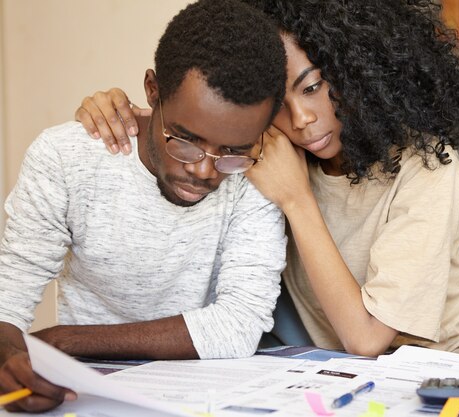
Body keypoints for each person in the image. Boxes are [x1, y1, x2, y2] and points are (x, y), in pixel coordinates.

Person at [75, 0, 459, 358]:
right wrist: (117, 110)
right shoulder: (265, 149)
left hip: (457, 373)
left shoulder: (423, 165)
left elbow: (368, 339)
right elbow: (192, 129)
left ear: (357, 70)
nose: (301, 120)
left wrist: (297, 199)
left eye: (313, 87)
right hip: (336, 379)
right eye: (276, 103)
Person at [0, 0, 287, 412]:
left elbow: (240, 324)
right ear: (152, 91)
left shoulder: (254, 176)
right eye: (185, 140)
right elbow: (7, 301)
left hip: (206, 398)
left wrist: (65, 340)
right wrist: (11, 359)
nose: (206, 171)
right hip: (83, 393)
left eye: (233, 151)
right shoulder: (65, 158)